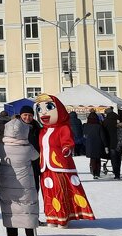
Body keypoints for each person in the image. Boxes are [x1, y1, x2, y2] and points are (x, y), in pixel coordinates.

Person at [35, 95, 95, 227]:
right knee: (48, 193)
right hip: (45, 167)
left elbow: (68, 142)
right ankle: (52, 217)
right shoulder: (42, 131)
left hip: (60, 166)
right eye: (40, 109)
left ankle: (63, 217)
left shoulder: (63, 128)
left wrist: (66, 149)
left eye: (49, 107)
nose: (43, 112)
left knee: (60, 191)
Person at [0, 109, 42, 236]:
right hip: (26, 188)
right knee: (28, 214)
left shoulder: (1, 148)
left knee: (11, 214)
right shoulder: (27, 148)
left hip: (7, 187)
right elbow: (36, 156)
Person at [83, 111, 107, 179]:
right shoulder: (99, 126)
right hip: (98, 144)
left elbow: (84, 135)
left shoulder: (85, 125)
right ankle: (97, 173)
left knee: (92, 159)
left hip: (89, 145)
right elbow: (103, 137)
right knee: (97, 159)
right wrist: (105, 145)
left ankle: (94, 172)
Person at [103, 108, 122, 179]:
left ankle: (116, 173)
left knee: (113, 159)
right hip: (119, 142)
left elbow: (104, 133)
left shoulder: (105, 121)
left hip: (110, 143)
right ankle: (118, 173)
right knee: (118, 158)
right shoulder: (118, 119)